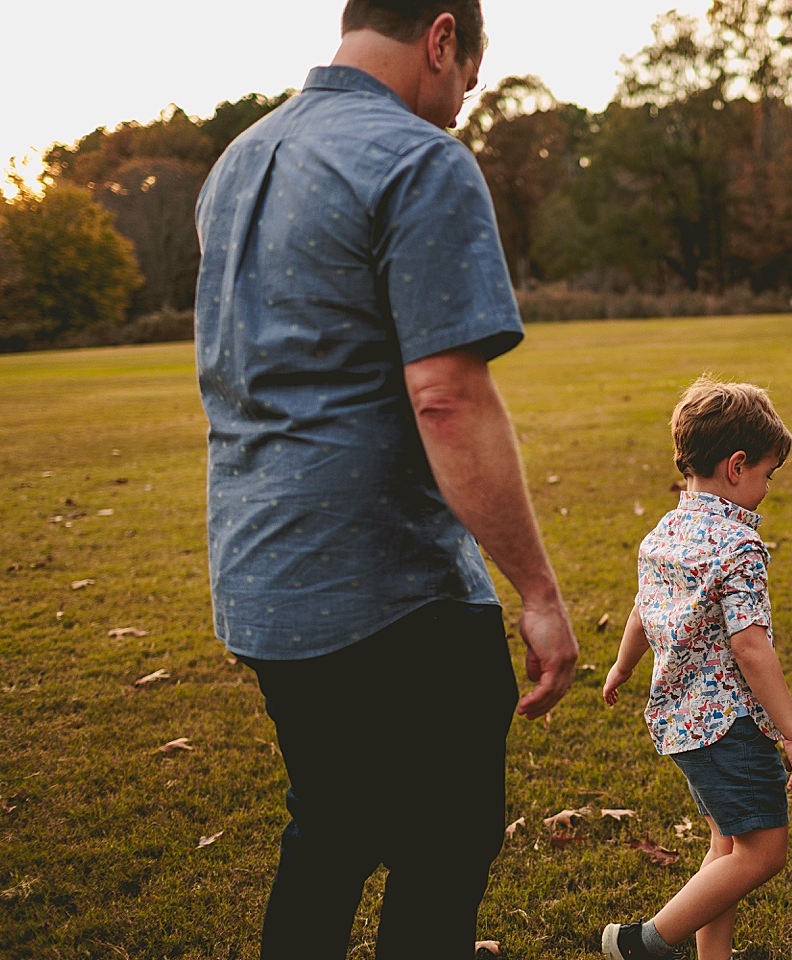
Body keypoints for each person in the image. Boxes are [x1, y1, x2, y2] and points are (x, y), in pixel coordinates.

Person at [192, 2, 579, 956]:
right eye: (467, 71)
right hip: (384, 589)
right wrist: (537, 588)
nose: (467, 96)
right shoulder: (416, 159)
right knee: (446, 848)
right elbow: (447, 397)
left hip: (256, 583)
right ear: (441, 38)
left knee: (328, 830)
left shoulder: (236, 160)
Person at [602, 378, 792, 960]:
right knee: (764, 851)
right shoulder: (738, 545)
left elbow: (643, 609)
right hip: (727, 727)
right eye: (767, 476)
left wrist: (623, 666)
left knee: (726, 845)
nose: (766, 490)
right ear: (737, 465)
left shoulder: (665, 532)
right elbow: (751, 648)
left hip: (680, 724)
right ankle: (646, 944)